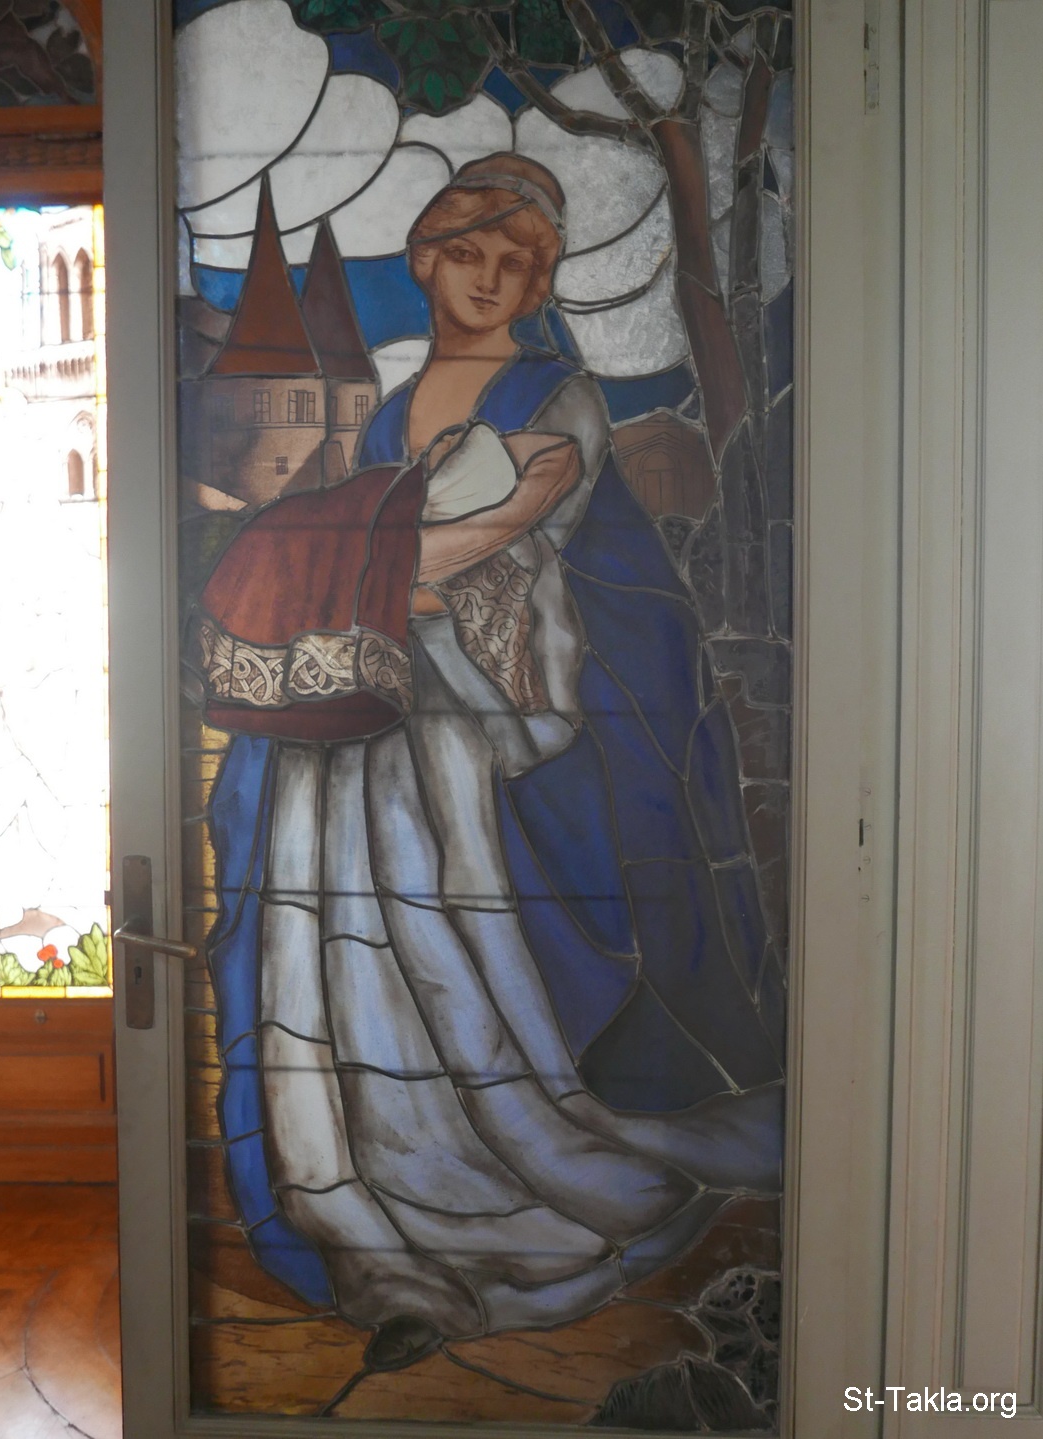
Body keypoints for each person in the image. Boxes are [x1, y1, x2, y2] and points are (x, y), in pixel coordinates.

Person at [190, 154, 784, 1373]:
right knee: (323, 932)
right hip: (360, 690)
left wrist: (341, 576)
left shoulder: (558, 396)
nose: (488, 278)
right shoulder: (393, 398)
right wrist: (347, 574)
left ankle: (472, 1163)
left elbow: (507, 541)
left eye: (517, 262)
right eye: (466, 252)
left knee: (434, 933)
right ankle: (348, 1185)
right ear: (425, 259)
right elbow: (373, 524)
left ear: (542, 281)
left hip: (463, 707)